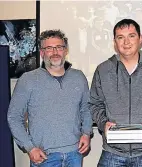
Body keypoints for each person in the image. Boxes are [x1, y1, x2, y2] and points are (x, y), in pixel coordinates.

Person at [89, 19, 142, 167]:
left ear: (141, 39)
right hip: (112, 152)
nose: (126, 42)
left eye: (131, 36)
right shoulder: (103, 70)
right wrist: (102, 123)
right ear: (115, 42)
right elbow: (95, 103)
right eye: (120, 37)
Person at [7, 29, 93, 167]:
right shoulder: (28, 80)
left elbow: (86, 109)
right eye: (49, 48)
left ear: (65, 50)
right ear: (42, 52)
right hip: (44, 157)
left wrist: (87, 133)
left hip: (74, 154)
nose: (55, 52)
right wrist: (29, 147)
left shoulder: (79, 77)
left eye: (59, 47)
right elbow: (14, 117)